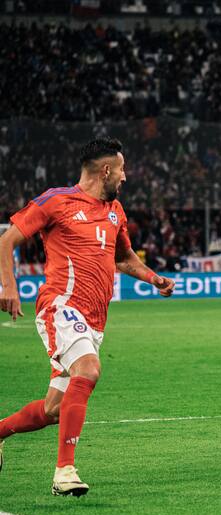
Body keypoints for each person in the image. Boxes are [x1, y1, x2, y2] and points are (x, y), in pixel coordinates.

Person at [0, 137, 175, 496]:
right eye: (122, 170)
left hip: (94, 321)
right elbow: (6, 241)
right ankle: (64, 471)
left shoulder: (115, 212)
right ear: (106, 170)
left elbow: (123, 257)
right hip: (60, 307)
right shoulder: (57, 200)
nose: (125, 178)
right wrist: (8, 285)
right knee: (89, 369)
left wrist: (153, 277)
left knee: (53, 409)